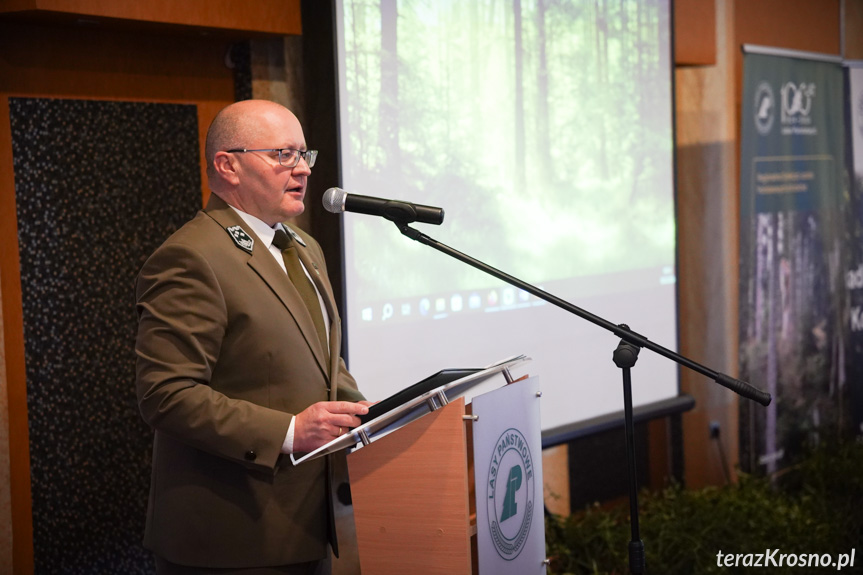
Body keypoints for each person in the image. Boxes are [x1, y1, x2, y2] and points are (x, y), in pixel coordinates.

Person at [135, 99, 369, 575]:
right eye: (284, 155)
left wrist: (372, 418)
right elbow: (166, 395)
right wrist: (289, 432)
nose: (302, 168)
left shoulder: (303, 247)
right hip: (231, 538)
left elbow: (325, 364)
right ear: (228, 166)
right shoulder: (192, 257)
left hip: (308, 524)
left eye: (305, 155)